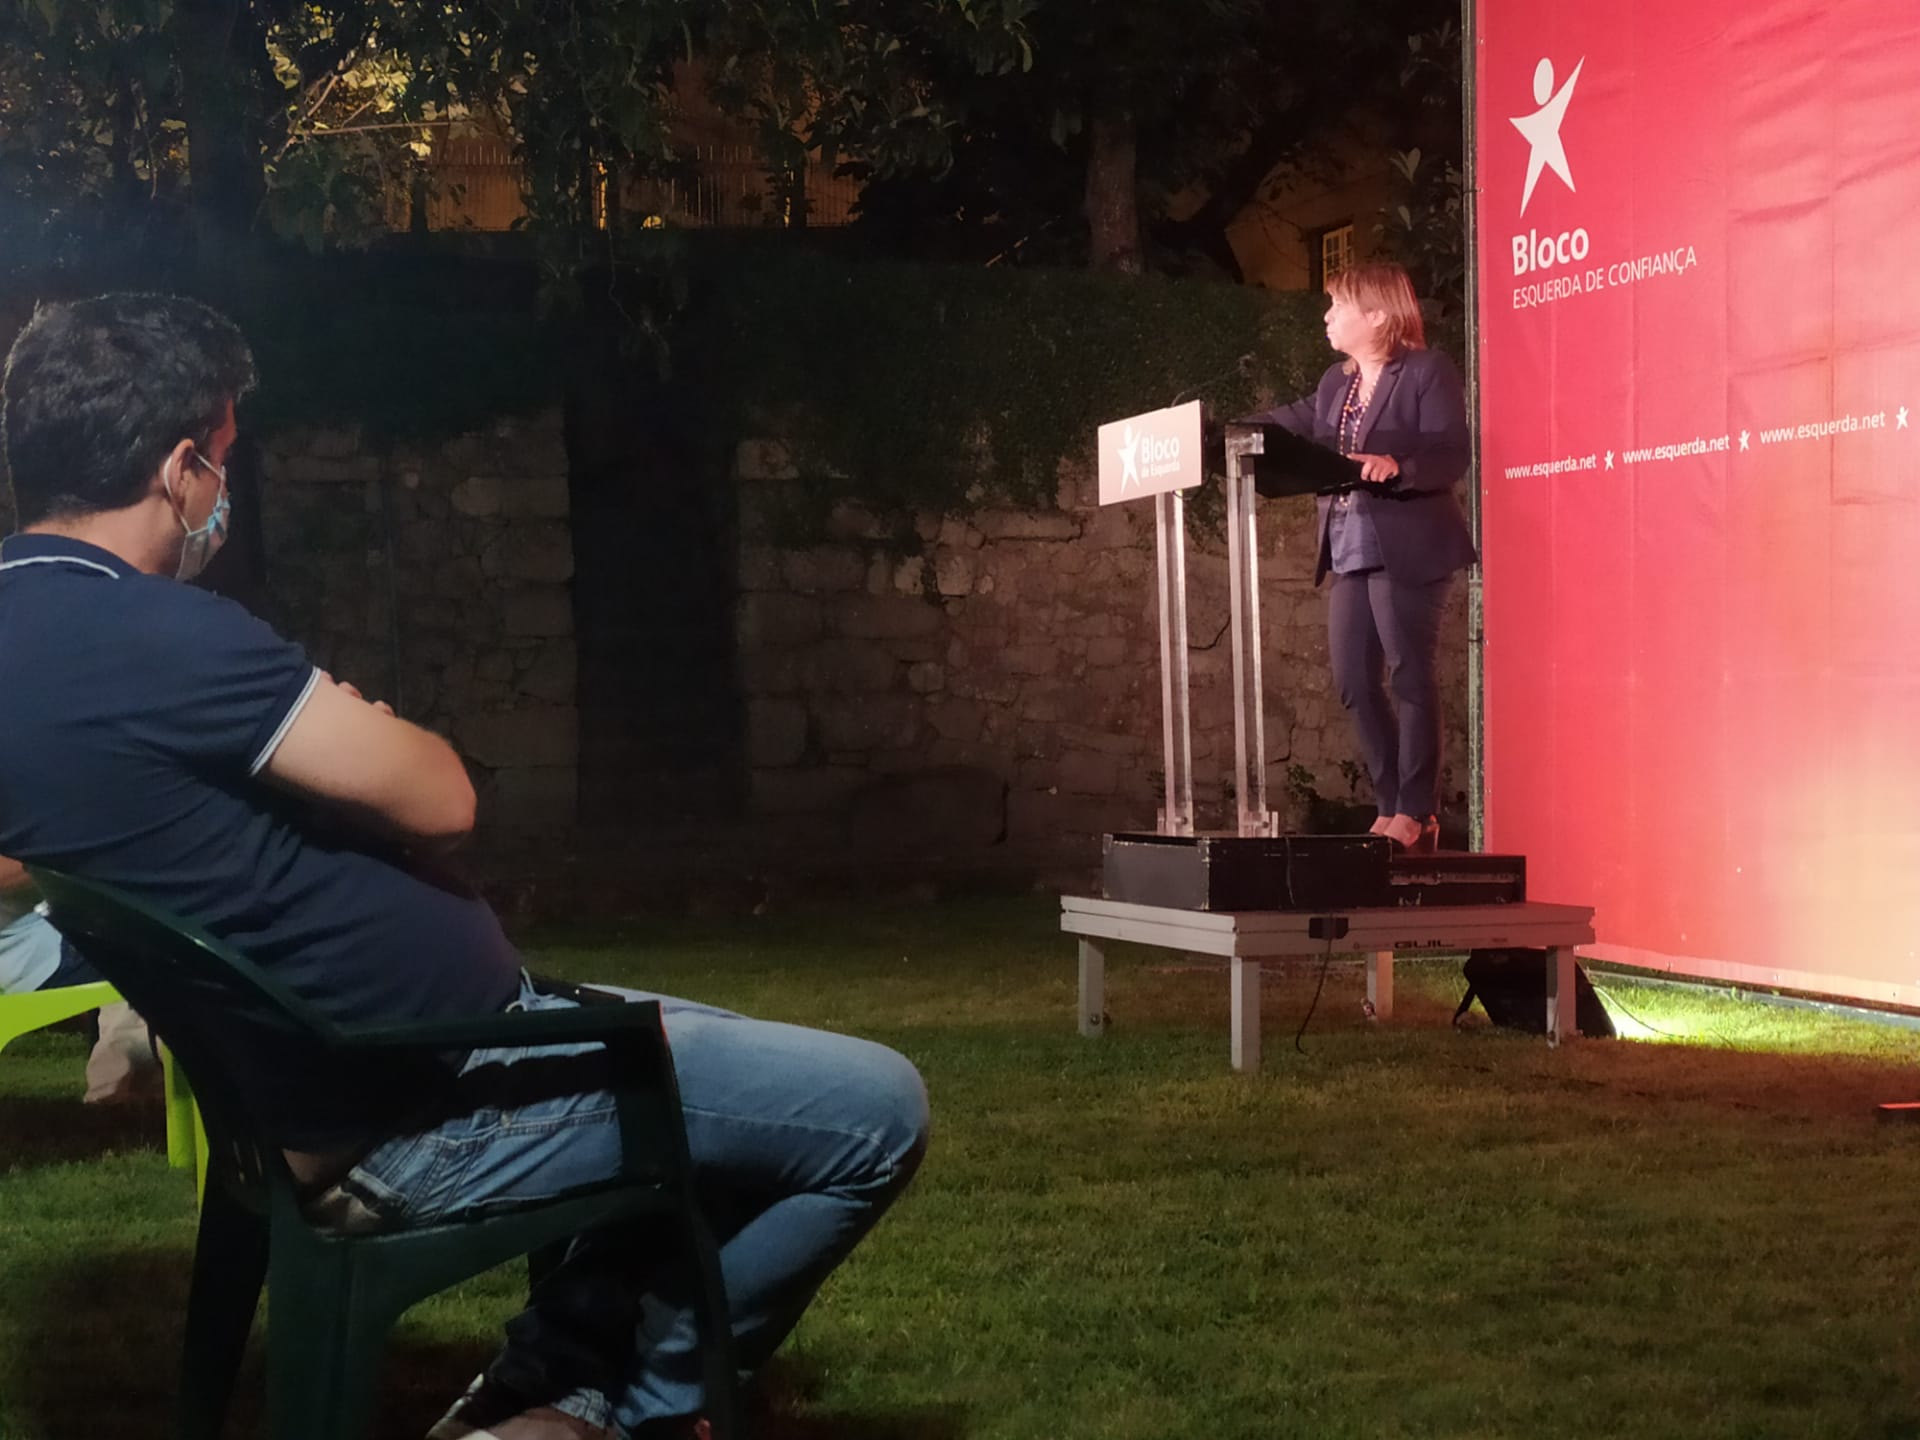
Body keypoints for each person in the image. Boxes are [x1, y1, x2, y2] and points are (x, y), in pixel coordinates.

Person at [0, 293, 929, 1440]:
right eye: (225, 460)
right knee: (874, 1109)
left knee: (733, 1086)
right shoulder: (163, 637)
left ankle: (544, 1392)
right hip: (425, 1104)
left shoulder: (22, 634)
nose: (223, 493)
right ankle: (620, 1417)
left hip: (347, 1081)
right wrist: (361, 734)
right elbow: (442, 793)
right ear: (180, 467)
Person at [1241, 262, 1474, 853]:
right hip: (1349, 548)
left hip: (1410, 546)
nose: (1326, 317)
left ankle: (1415, 813)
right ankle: (1390, 802)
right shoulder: (1334, 385)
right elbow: (1287, 421)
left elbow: (1452, 451)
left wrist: (1401, 467)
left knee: (1409, 675)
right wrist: (1217, 431)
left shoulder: (1424, 371)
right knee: (1352, 681)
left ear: (1376, 314)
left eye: (1338, 306)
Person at [0, 854, 159, 1102]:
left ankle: (124, 1086)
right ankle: (116, 1090)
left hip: (53, 935)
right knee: (148, 941)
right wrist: (80, 854)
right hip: (37, 955)